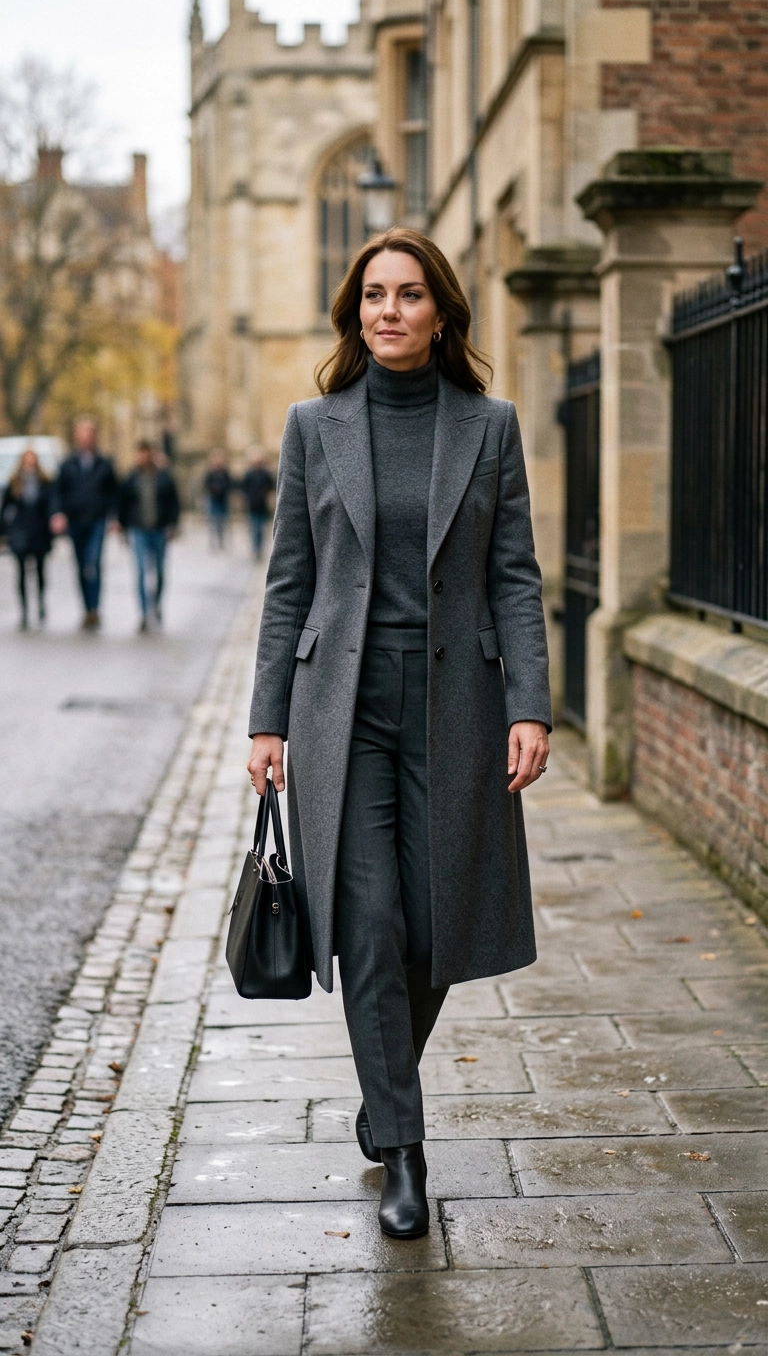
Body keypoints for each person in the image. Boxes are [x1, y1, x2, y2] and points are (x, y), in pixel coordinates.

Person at [246, 228, 551, 1241]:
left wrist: (530, 703)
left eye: (409, 294)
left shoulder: (490, 425)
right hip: (344, 705)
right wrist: (266, 721)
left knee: (432, 925)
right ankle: (408, 1150)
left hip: (456, 702)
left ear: (441, 311)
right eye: (373, 294)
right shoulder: (314, 424)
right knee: (368, 921)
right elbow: (290, 579)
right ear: (355, 311)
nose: (389, 310)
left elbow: (514, 573)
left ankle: (382, 1099)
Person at [50, 418, 117, 629]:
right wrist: (58, 513)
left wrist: (114, 517)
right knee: (80, 566)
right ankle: (86, 608)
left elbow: (114, 494)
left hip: (97, 520)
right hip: (76, 521)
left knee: (93, 562)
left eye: (89, 434)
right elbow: (57, 493)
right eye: (82, 434)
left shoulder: (104, 464)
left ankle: (95, 607)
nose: (85, 438)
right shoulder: (67, 464)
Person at [118, 441, 180, 631]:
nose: (143, 457)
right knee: (142, 572)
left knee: (160, 572)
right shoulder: (131, 478)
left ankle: (157, 603)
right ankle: (144, 613)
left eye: (146, 453)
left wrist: (172, 524)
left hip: (159, 529)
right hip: (139, 530)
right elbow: (123, 503)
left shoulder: (163, 477)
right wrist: (122, 526)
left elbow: (173, 502)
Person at [1, 449, 53, 629]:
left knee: (39, 571)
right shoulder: (14, 482)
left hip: (39, 531)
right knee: (21, 572)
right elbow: (5, 509)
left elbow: (51, 505)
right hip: (21, 531)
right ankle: (24, 611)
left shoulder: (44, 481)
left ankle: (40, 603)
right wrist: (4, 533)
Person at [240, 451, 275, 559]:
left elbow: (272, 485)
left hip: (262, 506)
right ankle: (255, 549)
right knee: (254, 528)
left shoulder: (265, 474)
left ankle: (259, 549)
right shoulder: (249, 474)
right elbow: (244, 488)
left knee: (260, 529)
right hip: (252, 505)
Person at [204, 449, 232, 548]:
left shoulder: (225, 472)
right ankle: (213, 541)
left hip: (223, 500)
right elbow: (206, 484)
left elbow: (229, 484)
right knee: (213, 521)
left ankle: (221, 540)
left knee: (223, 522)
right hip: (214, 500)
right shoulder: (211, 472)